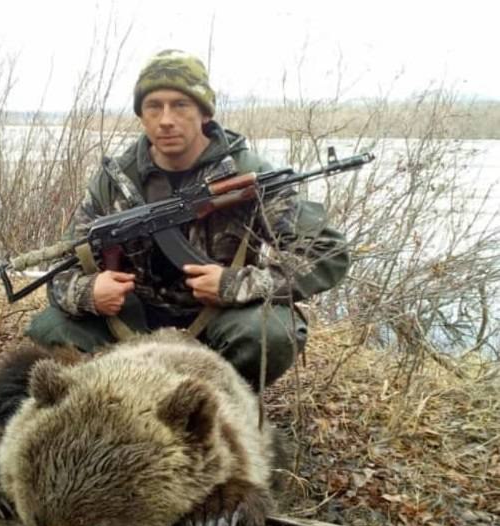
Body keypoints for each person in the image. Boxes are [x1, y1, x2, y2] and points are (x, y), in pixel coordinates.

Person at [26, 49, 350, 390]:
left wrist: (233, 284)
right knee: (50, 329)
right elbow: (63, 269)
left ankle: (222, 406)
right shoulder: (116, 181)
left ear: (204, 113)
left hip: (220, 320)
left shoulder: (247, 175)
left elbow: (326, 255)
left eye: (180, 105)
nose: (166, 119)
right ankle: (112, 399)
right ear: (141, 115)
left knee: (269, 334)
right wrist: (89, 292)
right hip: (134, 318)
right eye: (154, 106)